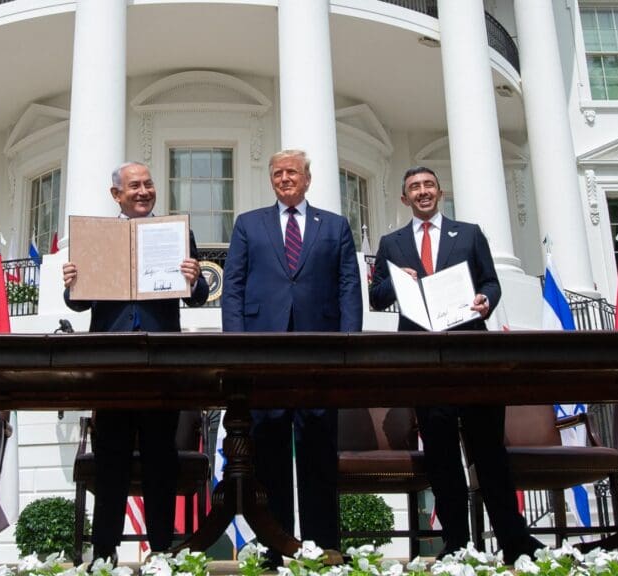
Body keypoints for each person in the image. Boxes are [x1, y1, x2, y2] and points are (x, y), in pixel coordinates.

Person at [368, 166, 542, 562]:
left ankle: (514, 542)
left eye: (428, 185)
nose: (423, 192)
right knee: (442, 456)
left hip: (471, 356)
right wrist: (397, 282)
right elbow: (376, 297)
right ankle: (457, 544)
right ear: (404, 198)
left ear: (440, 191)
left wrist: (486, 300)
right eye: (414, 187)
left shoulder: (468, 233)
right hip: (423, 364)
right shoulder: (392, 243)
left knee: (488, 452)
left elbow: (491, 282)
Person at [62, 161, 209, 561]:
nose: (143, 191)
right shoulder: (97, 237)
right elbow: (78, 303)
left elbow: (195, 295)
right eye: (134, 186)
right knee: (112, 461)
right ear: (116, 194)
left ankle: (162, 551)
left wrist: (194, 277)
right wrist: (73, 282)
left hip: (161, 364)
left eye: (148, 184)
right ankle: (104, 554)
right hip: (111, 367)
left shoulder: (177, 234)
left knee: (162, 460)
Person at [221, 149, 362, 566]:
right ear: (271, 180)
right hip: (264, 354)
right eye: (278, 173)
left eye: (292, 172)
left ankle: (323, 547)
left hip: (319, 353)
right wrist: (237, 345)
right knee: (268, 452)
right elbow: (234, 287)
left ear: (307, 179)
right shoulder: (249, 224)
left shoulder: (334, 226)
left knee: (319, 448)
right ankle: (275, 547)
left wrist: (348, 344)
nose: (285, 179)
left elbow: (348, 287)